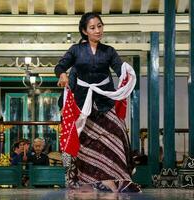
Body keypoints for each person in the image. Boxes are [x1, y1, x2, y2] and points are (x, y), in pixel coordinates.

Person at [54, 12, 140, 192]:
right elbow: (61, 66)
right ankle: (90, 180)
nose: (97, 30)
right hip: (82, 101)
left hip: (104, 99)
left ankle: (117, 177)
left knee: (117, 134)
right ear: (85, 31)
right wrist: (62, 74)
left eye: (100, 26)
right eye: (92, 28)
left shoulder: (108, 51)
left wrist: (126, 71)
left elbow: (119, 69)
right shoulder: (75, 50)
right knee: (84, 142)